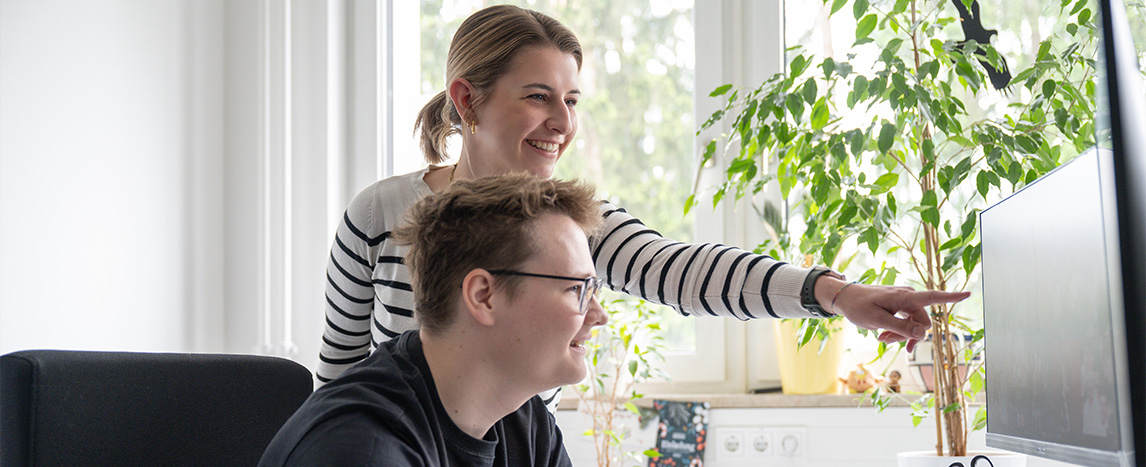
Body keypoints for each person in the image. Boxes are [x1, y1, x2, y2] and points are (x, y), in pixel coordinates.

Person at [316, 4, 970, 401]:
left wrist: (837, 294)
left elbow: (681, 269)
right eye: (539, 96)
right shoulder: (378, 216)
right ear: (467, 100)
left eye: (571, 100)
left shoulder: (567, 226)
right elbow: (339, 382)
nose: (562, 123)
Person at [261, 174, 600, 466]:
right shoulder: (362, 451)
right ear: (483, 295)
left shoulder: (524, 421)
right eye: (576, 289)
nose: (599, 315)